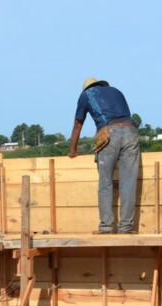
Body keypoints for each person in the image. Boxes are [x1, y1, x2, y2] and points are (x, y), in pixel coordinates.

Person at [68, 77, 141, 234]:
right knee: (128, 183)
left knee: (105, 183)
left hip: (109, 133)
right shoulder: (116, 91)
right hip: (131, 132)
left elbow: (77, 125)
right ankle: (126, 227)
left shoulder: (86, 95)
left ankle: (106, 226)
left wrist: (72, 151)